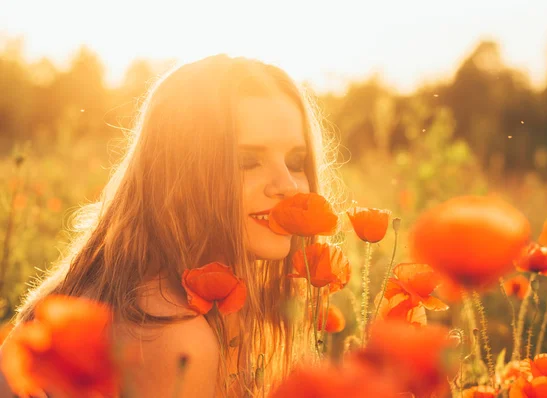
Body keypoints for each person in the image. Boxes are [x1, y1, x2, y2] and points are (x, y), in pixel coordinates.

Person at [0, 54, 341, 397]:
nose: (288, 185)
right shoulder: (170, 332)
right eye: (247, 162)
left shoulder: (142, 288)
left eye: (296, 162)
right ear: (180, 176)